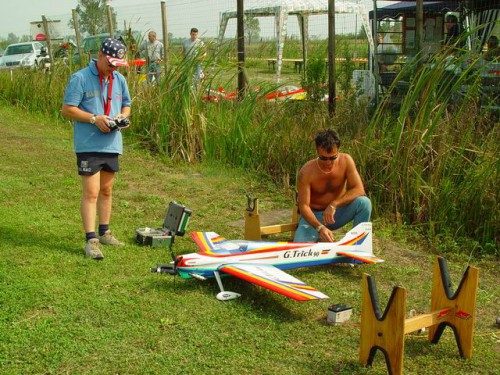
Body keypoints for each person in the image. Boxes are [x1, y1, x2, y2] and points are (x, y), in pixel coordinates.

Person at [61, 38, 132, 260]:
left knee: (107, 190)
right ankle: (91, 240)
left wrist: (122, 116)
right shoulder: (80, 78)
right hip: (89, 144)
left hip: (112, 143)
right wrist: (94, 118)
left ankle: (105, 232)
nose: (113, 69)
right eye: (110, 64)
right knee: (91, 192)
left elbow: (127, 104)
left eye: (117, 65)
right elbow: (67, 109)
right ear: (100, 55)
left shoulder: (119, 79)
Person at [294, 129, 372, 243]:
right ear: (317, 151)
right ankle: (320, 235)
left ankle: (359, 245)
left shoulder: (346, 160)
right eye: (323, 158)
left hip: (336, 213)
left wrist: (334, 204)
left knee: (364, 203)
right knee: (300, 249)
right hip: (314, 217)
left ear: (338, 151)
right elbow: (304, 207)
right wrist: (320, 227)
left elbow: (359, 189)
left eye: (332, 158)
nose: (328, 162)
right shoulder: (306, 172)